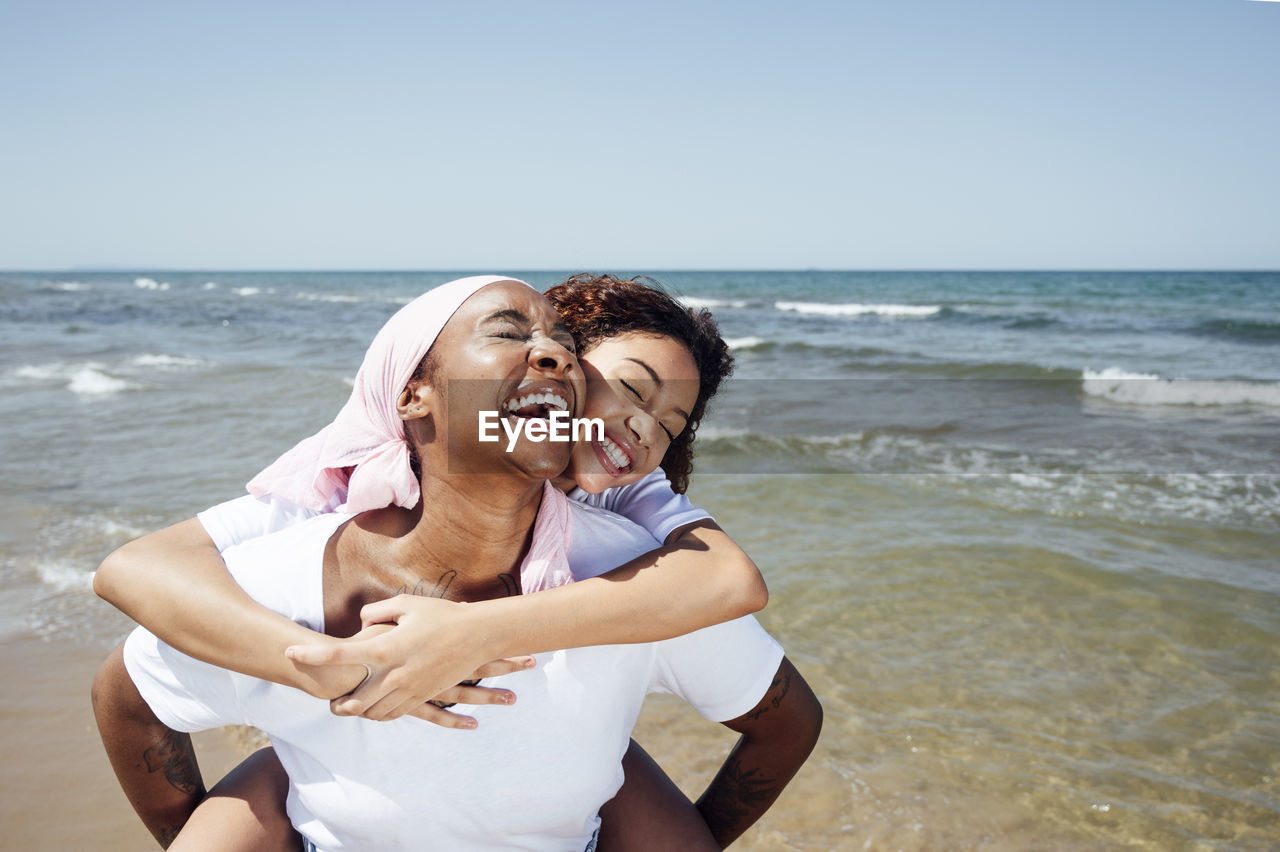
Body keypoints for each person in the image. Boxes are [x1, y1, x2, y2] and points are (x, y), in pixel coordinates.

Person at [93, 277, 822, 850]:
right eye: (629, 389)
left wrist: (477, 632)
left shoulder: (638, 534)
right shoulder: (321, 506)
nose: (642, 426)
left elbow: (728, 583)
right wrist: (319, 668)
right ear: (414, 393)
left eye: (671, 424)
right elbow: (136, 583)